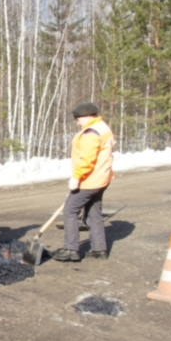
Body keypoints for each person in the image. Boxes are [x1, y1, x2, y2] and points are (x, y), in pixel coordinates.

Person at [53, 102, 115, 262]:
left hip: (89, 180)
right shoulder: (103, 128)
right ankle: (99, 249)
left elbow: (87, 159)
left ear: (88, 116)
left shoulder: (91, 133)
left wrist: (77, 177)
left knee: (70, 210)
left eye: (78, 119)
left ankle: (71, 249)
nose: (77, 123)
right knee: (93, 213)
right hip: (102, 178)